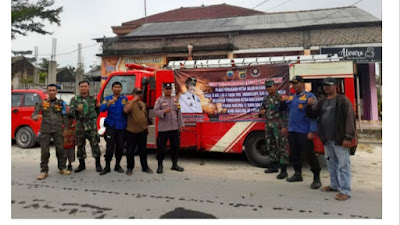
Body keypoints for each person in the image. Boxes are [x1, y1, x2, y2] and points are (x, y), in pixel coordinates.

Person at [306, 77, 356, 200]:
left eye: (329, 85)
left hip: (339, 139)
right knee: (331, 164)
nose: (326, 87)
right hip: (327, 139)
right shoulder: (322, 102)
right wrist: (309, 105)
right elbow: (313, 113)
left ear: (335, 86)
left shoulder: (342, 100)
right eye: (324, 85)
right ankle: (334, 185)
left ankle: (345, 191)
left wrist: (348, 137)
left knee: (343, 165)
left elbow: (350, 118)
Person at [282, 76, 322, 189]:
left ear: (302, 84)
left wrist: (312, 130)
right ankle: (297, 174)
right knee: (294, 154)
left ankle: (316, 178)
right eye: (292, 84)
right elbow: (287, 113)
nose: (294, 86)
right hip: (292, 130)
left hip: (304, 132)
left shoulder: (310, 97)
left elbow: (313, 116)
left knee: (309, 155)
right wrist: (285, 126)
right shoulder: (292, 97)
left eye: (296, 83)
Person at [32, 84, 70, 180]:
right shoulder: (42, 103)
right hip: (45, 129)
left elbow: (65, 116)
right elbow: (34, 114)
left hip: (58, 129)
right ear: (47, 92)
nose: (52, 92)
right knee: (44, 151)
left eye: (54, 90)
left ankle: (62, 168)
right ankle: (44, 171)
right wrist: (36, 117)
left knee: (60, 150)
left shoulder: (61, 103)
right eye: (50, 90)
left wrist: (66, 129)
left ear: (56, 91)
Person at [69, 80, 102, 173]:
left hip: (91, 127)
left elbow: (98, 110)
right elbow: (70, 113)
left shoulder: (94, 99)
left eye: (85, 86)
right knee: (80, 146)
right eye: (82, 86)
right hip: (80, 127)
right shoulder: (74, 99)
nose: (84, 88)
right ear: (79, 88)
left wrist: (93, 120)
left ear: (88, 87)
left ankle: (98, 165)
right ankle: (81, 165)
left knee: (95, 145)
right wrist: (76, 109)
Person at [259, 80, 289, 179]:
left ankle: (284, 170)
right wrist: (261, 112)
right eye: (267, 87)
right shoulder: (266, 99)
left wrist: (284, 126)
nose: (268, 88)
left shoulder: (280, 98)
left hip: (279, 125)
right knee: (270, 145)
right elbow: (261, 110)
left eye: (270, 86)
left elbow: (285, 113)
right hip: (269, 125)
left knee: (281, 146)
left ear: (275, 86)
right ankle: (273, 166)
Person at [154, 83, 185, 174]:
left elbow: (179, 113)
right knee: (161, 148)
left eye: (169, 89)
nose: (168, 90)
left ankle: (174, 164)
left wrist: (181, 125)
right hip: (163, 129)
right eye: (166, 89)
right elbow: (155, 112)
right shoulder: (159, 100)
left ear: (171, 90)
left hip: (174, 128)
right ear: (163, 90)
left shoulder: (175, 100)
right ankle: (160, 165)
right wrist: (164, 111)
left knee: (175, 147)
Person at [99, 81, 128, 175]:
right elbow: (102, 109)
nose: (117, 89)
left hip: (121, 127)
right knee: (109, 148)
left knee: (120, 148)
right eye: (115, 87)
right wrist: (110, 103)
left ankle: (117, 165)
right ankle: (107, 166)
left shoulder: (124, 99)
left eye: (119, 87)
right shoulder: (107, 98)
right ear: (112, 89)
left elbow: (127, 110)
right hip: (111, 126)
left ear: (121, 89)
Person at [123, 88, 153, 175]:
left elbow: (145, 117)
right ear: (133, 94)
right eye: (137, 93)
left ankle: (145, 167)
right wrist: (133, 100)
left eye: (140, 93)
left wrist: (146, 127)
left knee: (143, 150)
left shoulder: (143, 104)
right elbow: (126, 110)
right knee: (130, 150)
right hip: (131, 131)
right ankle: (129, 168)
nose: (139, 95)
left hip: (142, 130)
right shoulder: (129, 103)